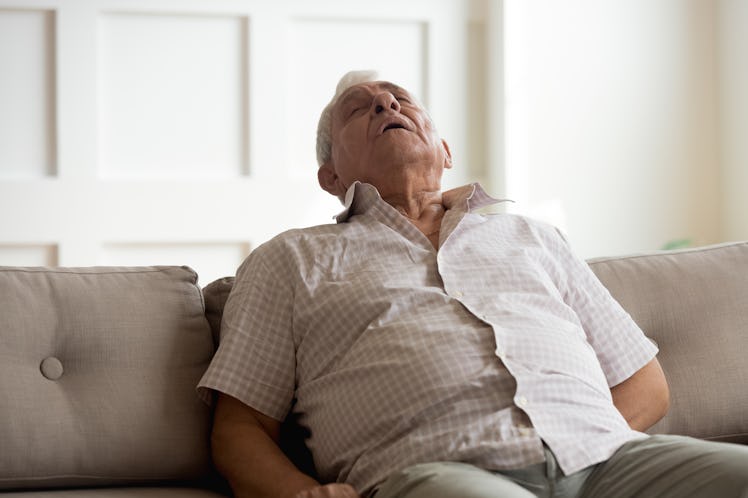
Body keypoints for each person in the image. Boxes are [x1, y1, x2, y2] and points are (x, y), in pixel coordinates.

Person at [197, 71, 748, 498]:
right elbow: (240, 426)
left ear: (446, 151)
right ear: (331, 177)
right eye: (359, 109)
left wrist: (584, 440)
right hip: (443, 473)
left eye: (400, 99)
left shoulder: (533, 236)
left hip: (611, 461)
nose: (386, 105)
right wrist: (296, 491)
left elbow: (644, 384)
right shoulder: (289, 259)